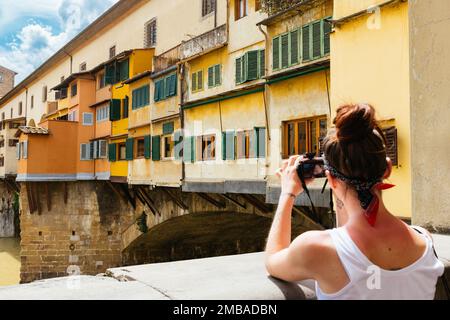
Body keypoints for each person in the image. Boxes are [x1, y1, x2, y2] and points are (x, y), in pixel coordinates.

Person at [265, 104, 445, 300]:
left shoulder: (316, 248)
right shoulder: (424, 239)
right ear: (387, 169)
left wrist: (288, 193)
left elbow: (273, 260)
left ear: (331, 180)